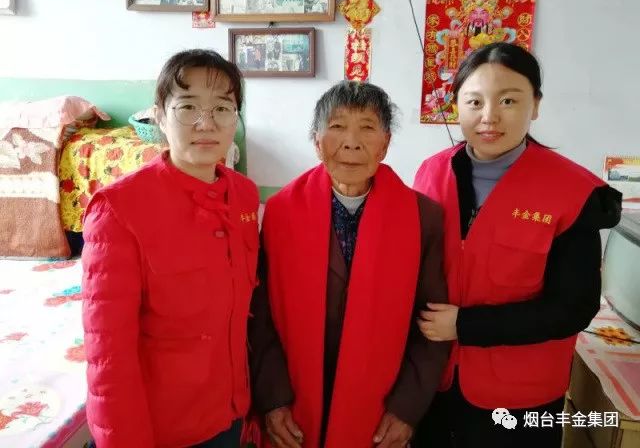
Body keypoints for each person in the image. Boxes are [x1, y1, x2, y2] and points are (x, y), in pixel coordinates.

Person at [412, 42, 622, 448]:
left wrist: (465, 325)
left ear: (535, 105)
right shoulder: (430, 173)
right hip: (435, 381)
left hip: (520, 398)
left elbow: (573, 308)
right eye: (474, 101)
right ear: (456, 106)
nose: (489, 116)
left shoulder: (572, 192)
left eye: (508, 100)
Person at [249, 81, 451, 448]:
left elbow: (432, 323)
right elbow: (260, 316)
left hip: (381, 400)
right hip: (296, 390)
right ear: (317, 141)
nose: (352, 142)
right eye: (338, 126)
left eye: (367, 128)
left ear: (385, 144)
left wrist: (406, 408)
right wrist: (274, 399)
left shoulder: (423, 218)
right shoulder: (280, 213)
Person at [81, 49, 259, 448]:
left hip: (229, 413)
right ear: (159, 115)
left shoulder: (243, 195)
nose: (206, 123)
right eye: (188, 107)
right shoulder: (119, 210)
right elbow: (108, 355)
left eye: (222, 108)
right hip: (161, 429)